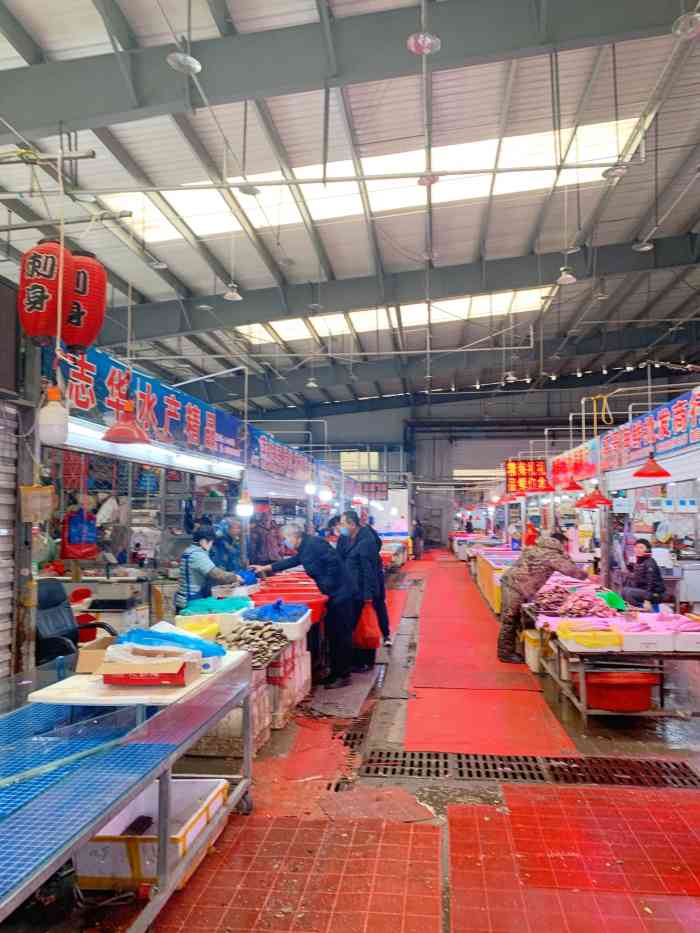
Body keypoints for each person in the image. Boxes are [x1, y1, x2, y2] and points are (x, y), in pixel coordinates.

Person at [252, 525, 357, 688]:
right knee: (332, 633)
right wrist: (266, 567)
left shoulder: (315, 544)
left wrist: (328, 587)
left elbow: (334, 564)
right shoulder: (305, 546)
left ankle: (343, 675)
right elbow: (294, 560)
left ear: (295, 536)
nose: (284, 542)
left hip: (340, 593)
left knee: (340, 635)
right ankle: (335, 672)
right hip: (332, 593)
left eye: (285, 538)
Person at [498, 532, 588, 663]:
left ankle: (512, 647)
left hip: (512, 583)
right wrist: (588, 577)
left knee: (514, 617)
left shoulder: (538, 548)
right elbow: (570, 570)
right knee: (510, 619)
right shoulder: (551, 555)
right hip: (516, 587)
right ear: (561, 543)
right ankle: (505, 654)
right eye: (566, 545)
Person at [337, 510, 381, 672]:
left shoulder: (366, 540)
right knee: (356, 626)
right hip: (353, 589)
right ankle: (358, 660)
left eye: (342, 523)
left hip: (362, 591)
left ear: (352, 524)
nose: (340, 527)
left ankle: (365, 661)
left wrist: (368, 596)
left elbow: (368, 569)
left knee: (363, 625)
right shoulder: (349, 538)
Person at [175, 528, 242, 611]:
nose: (211, 546)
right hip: (189, 601)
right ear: (203, 541)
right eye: (211, 542)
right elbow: (217, 574)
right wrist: (235, 577)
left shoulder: (190, 550)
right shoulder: (198, 555)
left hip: (185, 598)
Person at [365, 516, 392, 647]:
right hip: (377, 580)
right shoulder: (374, 550)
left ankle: (367, 641)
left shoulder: (364, 547)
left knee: (375, 608)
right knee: (380, 606)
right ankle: (386, 635)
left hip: (370, 583)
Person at [622, 538, 665, 607]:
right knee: (624, 590)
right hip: (644, 591)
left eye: (641, 548)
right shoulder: (640, 561)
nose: (638, 550)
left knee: (629, 593)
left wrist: (647, 600)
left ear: (647, 549)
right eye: (636, 547)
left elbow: (650, 582)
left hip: (655, 594)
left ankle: (641, 611)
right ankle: (632, 610)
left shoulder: (650, 562)